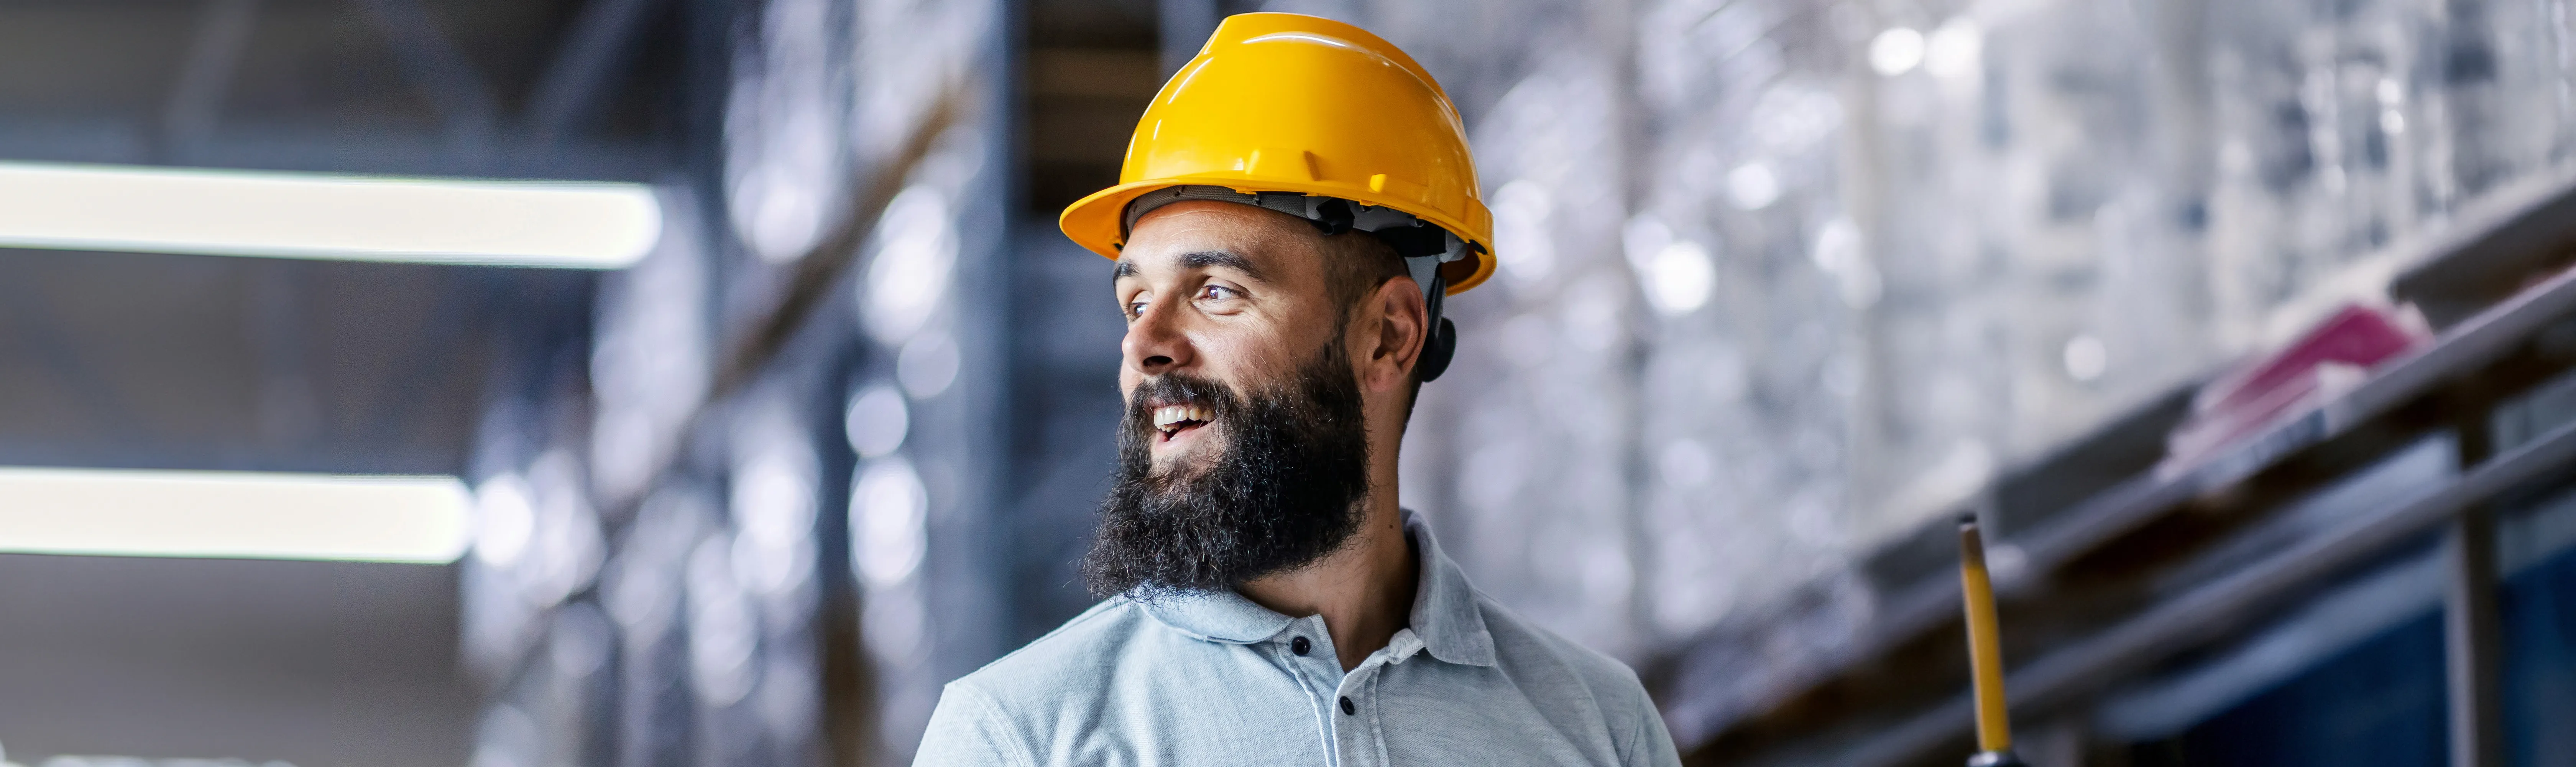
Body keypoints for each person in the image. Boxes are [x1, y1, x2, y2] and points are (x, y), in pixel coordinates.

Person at [912, 13, 1681, 767]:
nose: (1143, 347)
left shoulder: (1596, 724)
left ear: (1389, 336)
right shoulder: (1017, 738)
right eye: (1136, 303)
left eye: (1215, 290)